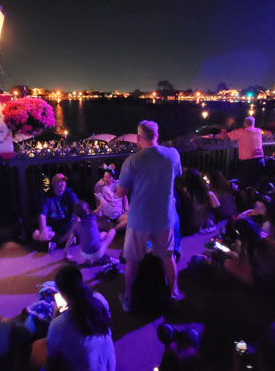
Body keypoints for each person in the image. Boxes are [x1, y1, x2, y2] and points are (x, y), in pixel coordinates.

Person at [116, 121, 181, 312]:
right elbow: (175, 175)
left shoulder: (133, 161)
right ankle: (173, 292)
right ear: (157, 136)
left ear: (138, 138)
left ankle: (128, 296)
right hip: (164, 217)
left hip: (139, 220)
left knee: (132, 260)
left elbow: (121, 192)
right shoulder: (173, 154)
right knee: (168, 257)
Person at [43, 265, 116, 371]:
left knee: (40, 348)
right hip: (109, 364)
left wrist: (55, 316)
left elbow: (51, 356)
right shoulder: (100, 300)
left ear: (63, 294)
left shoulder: (59, 325)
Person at [64, 201, 117, 265]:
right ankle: (102, 257)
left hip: (84, 254)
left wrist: (65, 254)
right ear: (87, 211)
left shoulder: (76, 226)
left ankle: (88, 260)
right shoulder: (92, 216)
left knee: (104, 234)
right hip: (97, 252)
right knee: (112, 231)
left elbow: (69, 240)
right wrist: (99, 195)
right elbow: (104, 203)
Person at [34, 173, 79, 249]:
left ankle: (57, 242)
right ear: (54, 184)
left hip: (67, 225)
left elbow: (78, 209)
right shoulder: (47, 196)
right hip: (53, 227)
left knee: (77, 223)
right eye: (60, 182)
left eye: (64, 182)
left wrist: (77, 220)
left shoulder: (69, 193)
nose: (63, 184)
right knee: (36, 234)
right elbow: (42, 215)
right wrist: (43, 229)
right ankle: (64, 241)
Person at [228, 117, 265, 195]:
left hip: (248, 162)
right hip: (260, 161)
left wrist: (213, 136)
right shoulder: (258, 131)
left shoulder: (242, 132)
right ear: (253, 123)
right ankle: (253, 203)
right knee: (255, 184)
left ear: (245, 123)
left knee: (242, 186)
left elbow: (228, 136)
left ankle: (245, 205)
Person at [179, 168, 220, 234]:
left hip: (193, 227)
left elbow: (185, 214)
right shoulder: (207, 193)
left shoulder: (187, 195)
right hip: (207, 225)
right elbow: (217, 208)